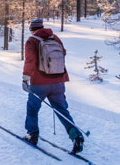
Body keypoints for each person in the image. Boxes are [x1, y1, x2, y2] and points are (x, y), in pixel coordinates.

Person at [22, 18, 84, 154]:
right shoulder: (55, 38)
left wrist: (25, 78)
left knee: (32, 109)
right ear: (42, 27)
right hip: (58, 82)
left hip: (39, 83)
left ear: (32, 29)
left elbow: (30, 60)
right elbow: (63, 53)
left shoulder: (32, 41)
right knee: (62, 110)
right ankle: (76, 136)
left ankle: (32, 136)